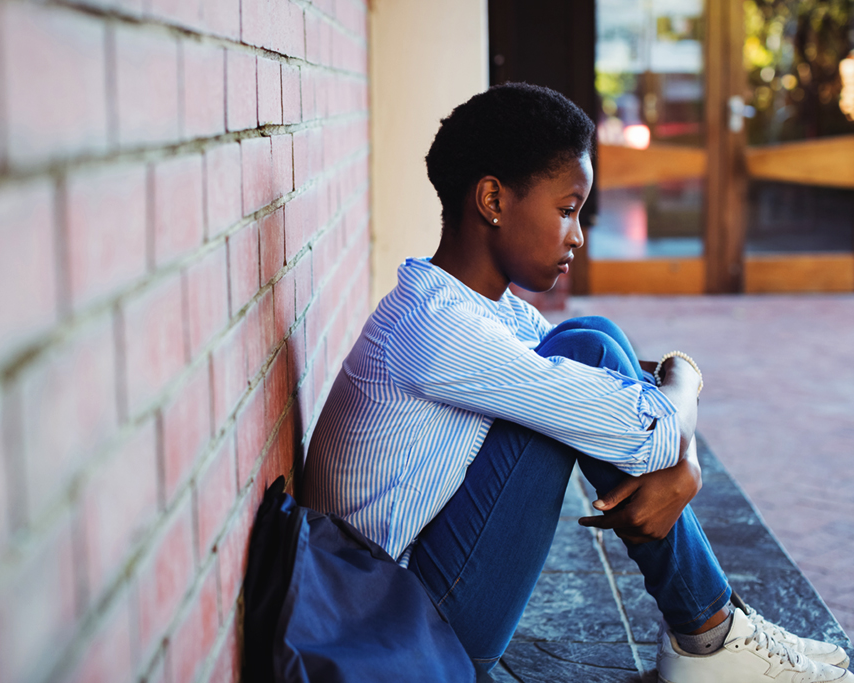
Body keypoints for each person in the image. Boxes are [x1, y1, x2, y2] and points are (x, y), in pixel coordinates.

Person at [300, 83, 852, 683]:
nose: (579, 236)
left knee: (591, 336)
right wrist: (685, 386)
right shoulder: (437, 328)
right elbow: (647, 420)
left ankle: (714, 631)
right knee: (586, 348)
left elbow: (632, 401)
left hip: (419, 598)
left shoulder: (490, 310)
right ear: (492, 200)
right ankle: (710, 633)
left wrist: (680, 449)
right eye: (567, 210)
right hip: (400, 628)